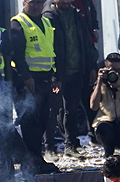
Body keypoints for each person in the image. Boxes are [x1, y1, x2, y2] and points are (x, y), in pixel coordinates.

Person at [10, 0, 61, 173]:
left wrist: (55, 75)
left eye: (39, 2)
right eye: (32, 2)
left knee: (43, 120)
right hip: (29, 80)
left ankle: (38, 158)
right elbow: (17, 54)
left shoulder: (46, 21)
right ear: (24, 3)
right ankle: (31, 161)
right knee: (30, 121)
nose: (36, 6)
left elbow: (51, 51)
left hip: (46, 78)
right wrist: (26, 77)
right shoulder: (18, 23)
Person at [42, 0, 96, 159]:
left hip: (76, 71)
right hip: (58, 73)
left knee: (71, 110)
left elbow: (87, 44)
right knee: (52, 111)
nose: (65, 1)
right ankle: (49, 147)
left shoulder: (77, 16)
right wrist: (53, 74)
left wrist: (91, 67)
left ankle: (70, 145)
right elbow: (47, 46)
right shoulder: (48, 17)